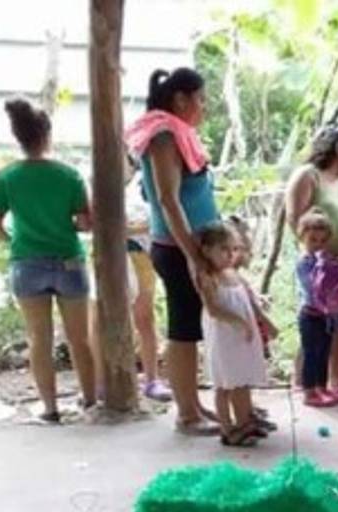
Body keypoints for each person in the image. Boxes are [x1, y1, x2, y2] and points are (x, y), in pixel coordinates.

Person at [0, 98, 95, 425]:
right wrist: (68, 225)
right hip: (69, 260)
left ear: (18, 137)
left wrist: (17, 240)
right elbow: (86, 223)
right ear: (47, 134)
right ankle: (90, 401)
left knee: (39, 340)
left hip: (27, 263)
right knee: (79, 339)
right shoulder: (69, 175)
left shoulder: (6, 177)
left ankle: (50, 408)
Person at [125, 67, 221, 435]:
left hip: (190, 246)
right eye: (201, 99)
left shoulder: (174, 132)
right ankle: (187, 415)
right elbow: (167, 199)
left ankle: (193, 404)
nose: (204, 107)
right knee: (183, 330)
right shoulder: (163, 135)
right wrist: (194, 256)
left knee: (191, 328)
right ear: (181, 99)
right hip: (177, 248)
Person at [285, 125, 338, 395]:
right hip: (319, 268)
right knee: (317, 323)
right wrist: (317, 253)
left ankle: (336, 381)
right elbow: (294, 218)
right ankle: (307, 382)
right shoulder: (309, 176)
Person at [196, 221, 276, 447]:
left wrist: (264, 320)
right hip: (225, 337)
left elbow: (250, 299)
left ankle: (245, 421)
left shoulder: (233, 274)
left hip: (243, 337)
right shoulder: (208, 277)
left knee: (242, 381)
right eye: (223, 249)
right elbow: (213, 309)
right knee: (225, 384)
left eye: (233, 249)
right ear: (207, 250)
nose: (230, 255)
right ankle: (228, 428)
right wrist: (239, 322)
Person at [123, 154, 172, 403]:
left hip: (141, 255)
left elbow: (153, 219)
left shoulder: (144, 182)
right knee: (105, 319)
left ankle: (151, 378)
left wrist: (129, 228)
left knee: (144, 317)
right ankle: (107, 380)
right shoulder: (96, 182)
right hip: (109, 258)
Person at [294, 210, 338, 408]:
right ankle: (308, 390)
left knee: (324, 351)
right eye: (313, 240)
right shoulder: (304, 263)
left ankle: (322, 387)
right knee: (311, 353)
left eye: (322, 241)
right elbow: (311, 286)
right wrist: (324, 269)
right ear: (303, 237)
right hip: (310, 314)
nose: (318, 245)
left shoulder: (327, 260)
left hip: (326, 315)